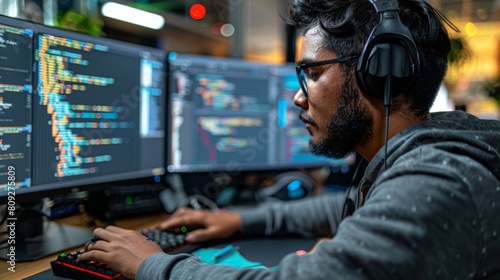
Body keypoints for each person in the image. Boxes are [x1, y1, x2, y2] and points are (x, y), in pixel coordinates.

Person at [78, 0, 500, 279]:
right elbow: (343, 206)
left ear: (379, 72)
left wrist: (152, 264)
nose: (298, 95)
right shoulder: (426, 157)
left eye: (313, 74)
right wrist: (243, 219)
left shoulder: (436, 181)